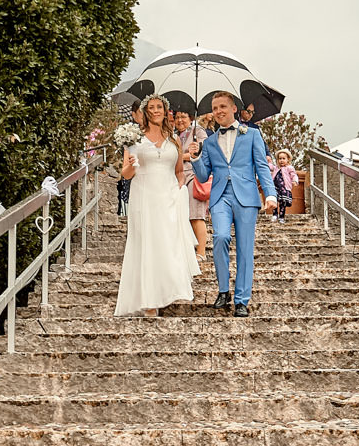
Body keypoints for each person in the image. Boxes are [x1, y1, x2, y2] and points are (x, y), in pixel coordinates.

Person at [187, 90, 277, 316]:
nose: (218, 111)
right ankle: (223, 290)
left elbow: (262, 166)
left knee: (245, 248)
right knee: (220, 237)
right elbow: (202, 176)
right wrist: (196, 157)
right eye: (214, 108)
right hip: (220, 197)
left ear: (234, 108)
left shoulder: (252, 134)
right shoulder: (209, 142)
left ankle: (242, 300)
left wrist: (270, 194)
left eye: (222, 106)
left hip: (246, 197)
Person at [114, 95, 200, 317]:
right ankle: (149, 301)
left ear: (165, 110)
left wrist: (180, 188)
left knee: (167, 245)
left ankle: (166, 291)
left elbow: (179, 172)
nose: (155, 110)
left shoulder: (174, 139)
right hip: (144, 196)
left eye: (159, 107)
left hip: (168, 198)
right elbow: (126, 174)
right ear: (145, 112)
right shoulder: (135, 138)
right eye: (151, 107)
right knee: (147, 245)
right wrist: (131, 165)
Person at [172, 107, 210, 260]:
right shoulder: (174, 135)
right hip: (177, 178)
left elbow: (203, 151)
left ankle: (201, 252)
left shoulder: (198, 132)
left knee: (195, 215)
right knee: (181, 216)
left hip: (193, 176)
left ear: (190, 118)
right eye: (177, 117)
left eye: (183, 117)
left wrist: (180, 157)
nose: (180, 120)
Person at [273, 150, 298, 220]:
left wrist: (295, 181)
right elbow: (270, 167)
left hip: (284, 188)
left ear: (288, 160)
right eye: (280, 158)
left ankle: (281, 217)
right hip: (275, 187)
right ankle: (274, 214)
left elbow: (294, 175)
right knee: (274, 200)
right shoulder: (276, 168)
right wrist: (268, 161)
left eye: (283, 158)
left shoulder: (289, 168)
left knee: (283, 202)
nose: (281, 160)